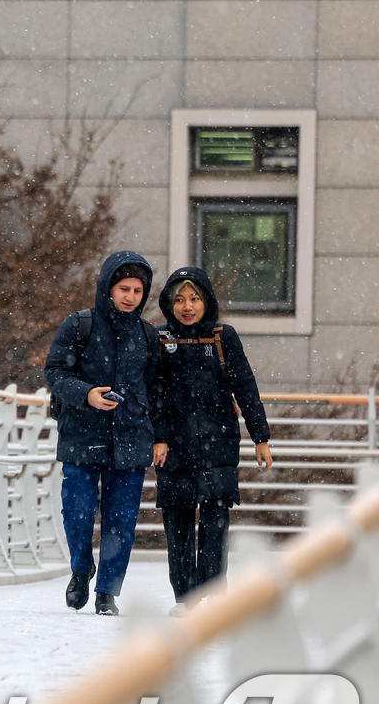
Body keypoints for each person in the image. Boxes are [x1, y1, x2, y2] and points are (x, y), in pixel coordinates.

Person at [149, 267, 271, 615]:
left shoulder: (223, 336)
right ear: (169, 304)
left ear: (207, 301)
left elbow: (246, 388)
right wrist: (158, 438)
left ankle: (214, 596)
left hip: (218, 442)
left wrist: (260, 438)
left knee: (216, 521)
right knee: (178, 523)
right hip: (173, 446)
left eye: (195, 298)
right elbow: (153, 394)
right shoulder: (159, 339)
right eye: (179, 300)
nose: (187, 306)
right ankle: (186, 598)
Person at [45, 252, 157, 616]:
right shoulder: (79, 325)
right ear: (108, 287)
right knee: (77, 512)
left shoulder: (147, 336)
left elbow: (158, 390)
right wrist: (86, 394)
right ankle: (81, 568)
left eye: (138, 290)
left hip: (132, 438)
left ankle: (108, 592)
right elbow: (55, 373)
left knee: (121, 521)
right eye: (124, 288)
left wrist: (160, 436)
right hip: (81, 434)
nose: (130, 296)